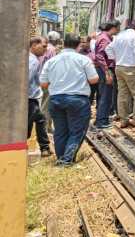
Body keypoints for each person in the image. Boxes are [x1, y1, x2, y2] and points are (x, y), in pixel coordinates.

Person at [39, 33, 99, 166]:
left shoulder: (51, 61)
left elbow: (43, 84)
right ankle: (67, 160)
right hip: (77, 100)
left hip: (56, 100)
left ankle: (61, 158)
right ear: (78, 45)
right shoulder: (84, 60)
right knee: (77, 131)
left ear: (64, 44)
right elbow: (94, 79)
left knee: (60, 131)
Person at [108, 20, 135, 127]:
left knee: (122, 94)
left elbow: (108, 48)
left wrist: (115, 58)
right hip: (131, 68)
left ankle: (124, 120)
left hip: (119, 67)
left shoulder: (119, 36)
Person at [92, 20, 120, 129]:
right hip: (105, 70)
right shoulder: (104, 38)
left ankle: (101, 118)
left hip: (104, 69)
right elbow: (99, 56)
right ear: (113, 27)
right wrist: (107, 71)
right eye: (118, 27)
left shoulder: (104, 37)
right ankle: (101, 121)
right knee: (106, 95)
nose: (118, 30)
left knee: (104, 94)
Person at [28, 36, 51, 157]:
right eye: (43, 46)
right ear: (34, 45)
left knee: (40, 119)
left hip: (32, 98)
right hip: (30, 98)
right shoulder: (33, 61)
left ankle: (44, 147)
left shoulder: (32, 59)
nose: (45, 49)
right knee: (29, 124)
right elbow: (27, 79)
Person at [39, 34, 58, 131]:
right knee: (46, 104)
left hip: (42, 79)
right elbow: (52, 67)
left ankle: (46, 127)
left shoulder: (44, 49)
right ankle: (44, 128)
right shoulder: (52, 50)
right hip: (47, 80)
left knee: (44, 103)